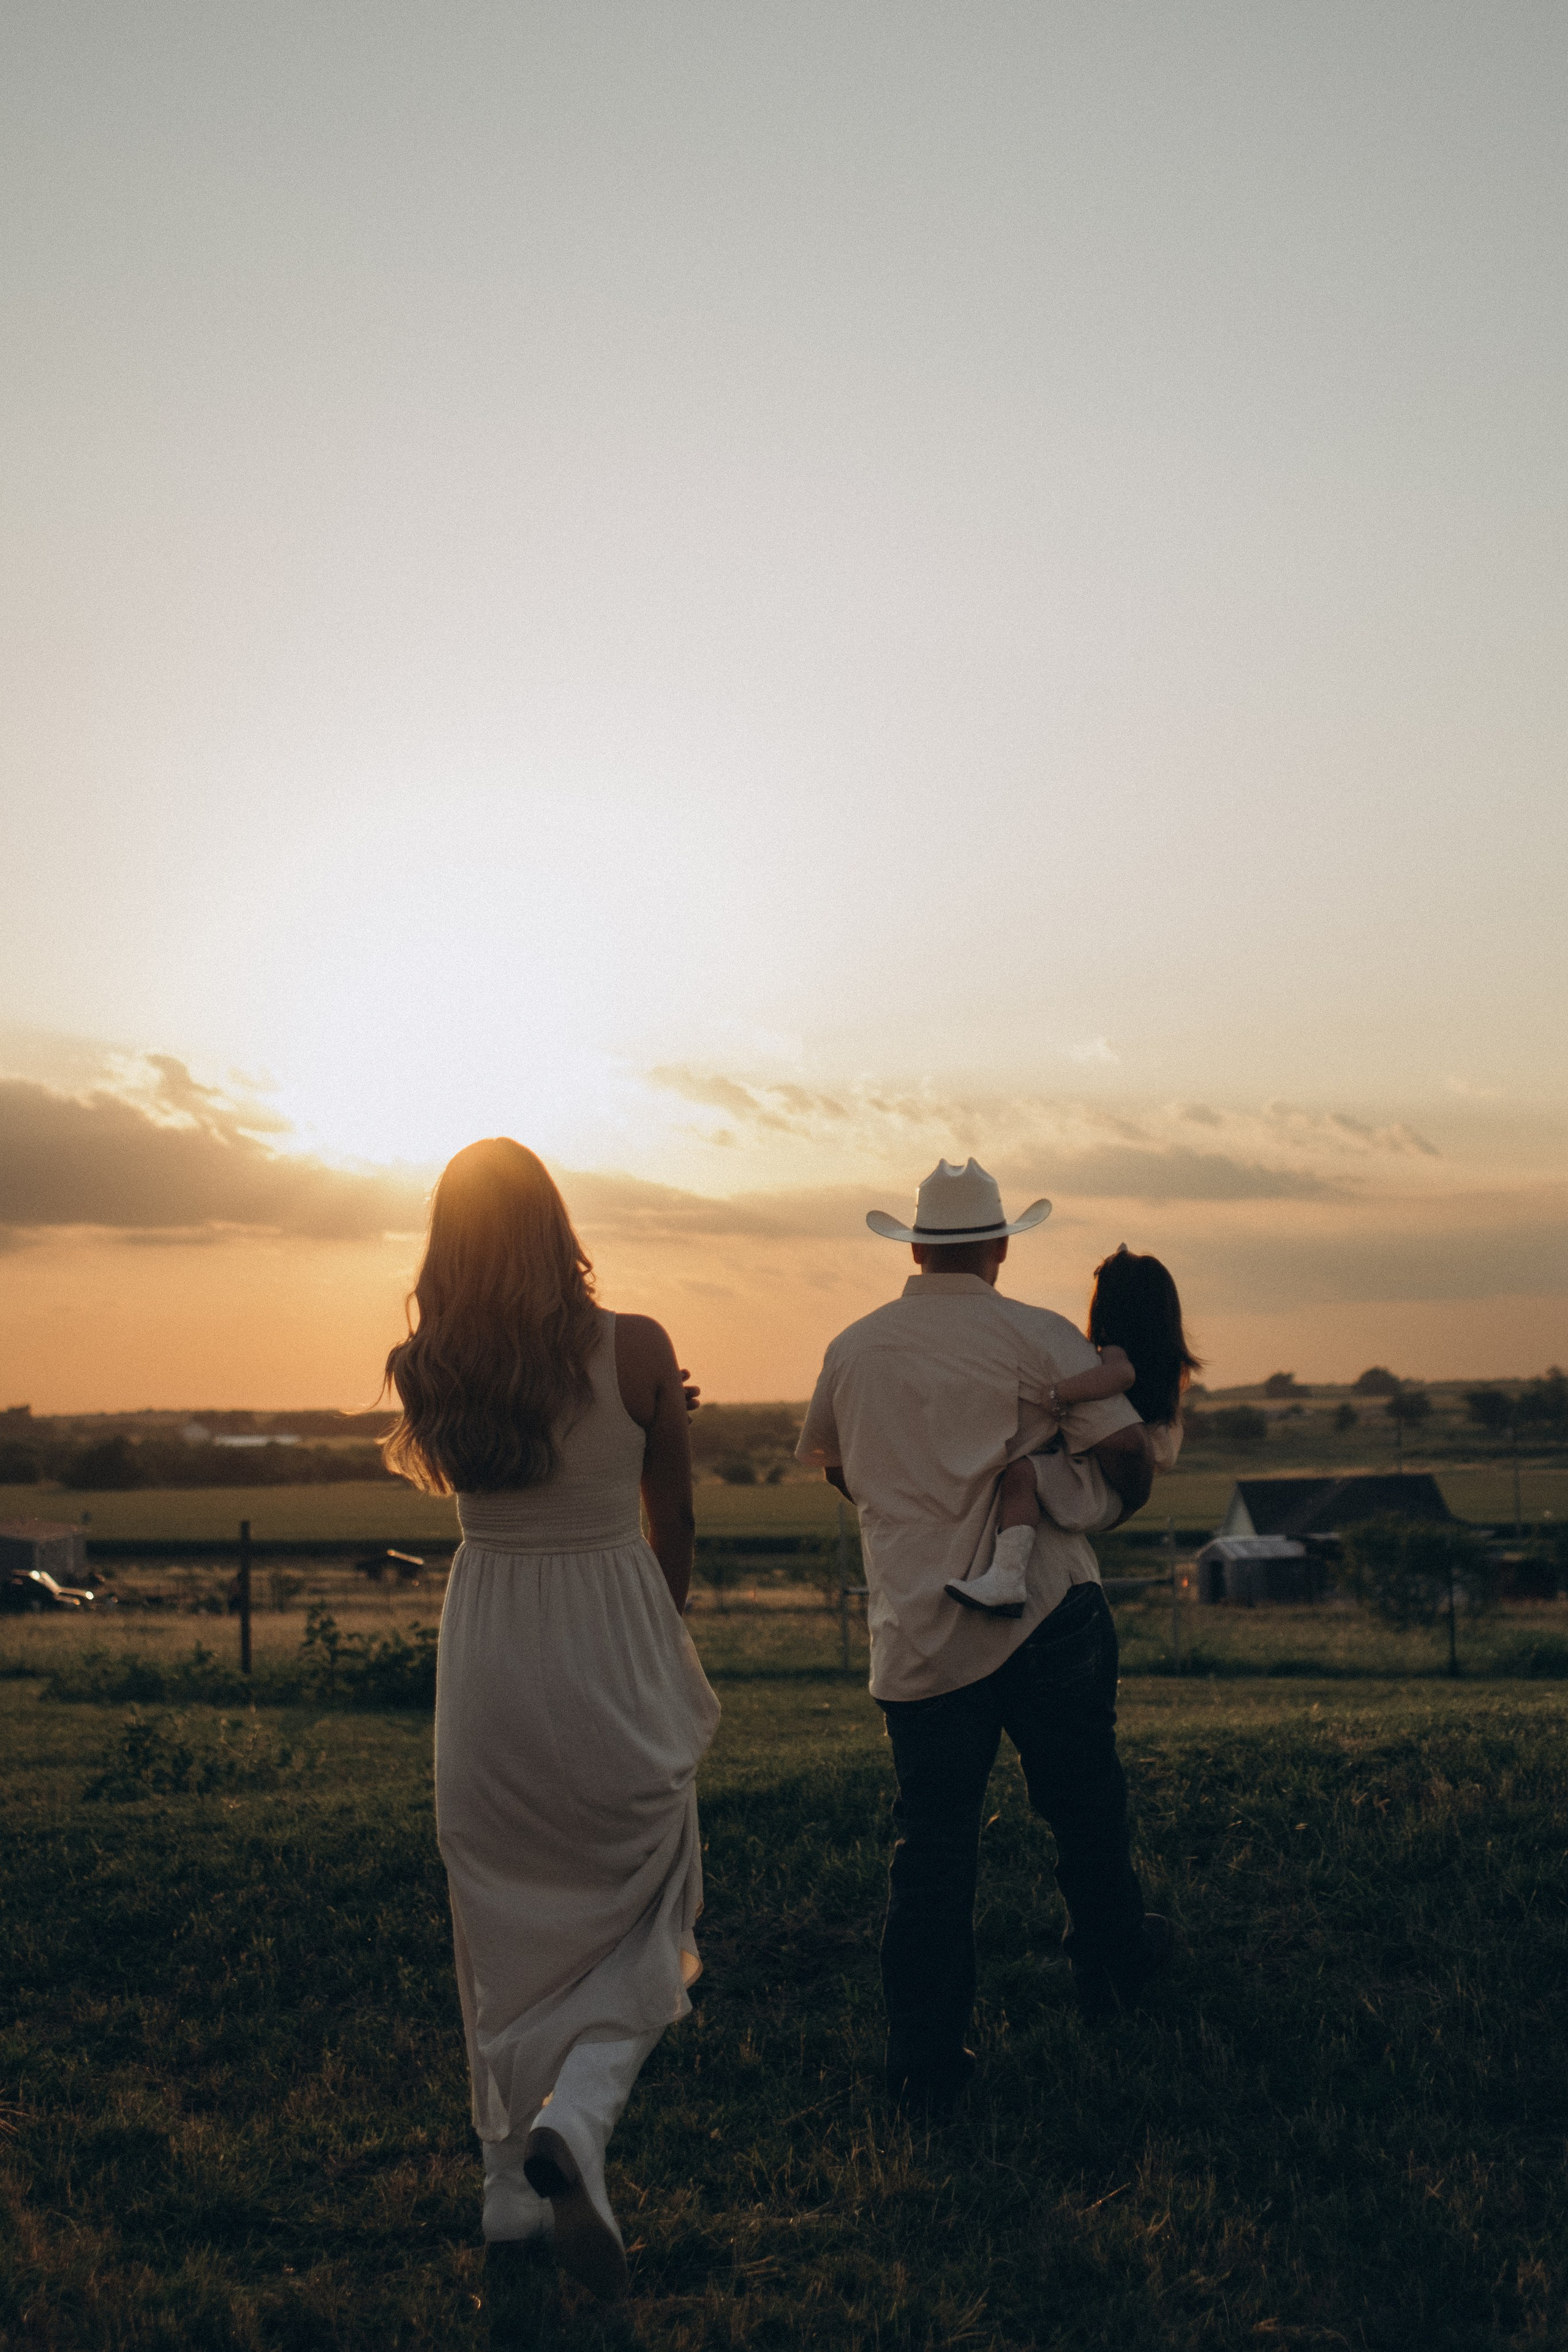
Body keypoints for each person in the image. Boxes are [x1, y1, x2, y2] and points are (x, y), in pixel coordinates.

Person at [382, 1139, 719, 2301]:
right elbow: (673, 1516)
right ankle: (577, 2116)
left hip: (490, 1653)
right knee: (648, 1903)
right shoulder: (641, 1347)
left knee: (501, 1926)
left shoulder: (428, 1368)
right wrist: (651, 1636)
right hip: (608, 1630)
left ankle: (506, 2194)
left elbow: (525, 1443)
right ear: (557, 1226)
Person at [796, 1158, 1172, 2114]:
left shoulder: (853, 1350)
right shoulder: (1038, 1336)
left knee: (932, 1844)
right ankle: (1116, 1981)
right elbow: (1127, 1448)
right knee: (1087, 1810)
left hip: (921, 1627)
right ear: (1001, 1245)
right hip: (1048, 1607)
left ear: (915, 1249)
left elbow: (838, 1468)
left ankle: (924, 2058)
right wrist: (1105, 1508)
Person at [952, 1245, 1201, 1615]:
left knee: (1020, 1475)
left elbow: (1120, 1375)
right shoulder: (1164, 1362)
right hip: (1114, 1479)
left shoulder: (1114, 1351)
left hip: (1098, 1479)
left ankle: (1007, 1578)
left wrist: (1059, 1393)